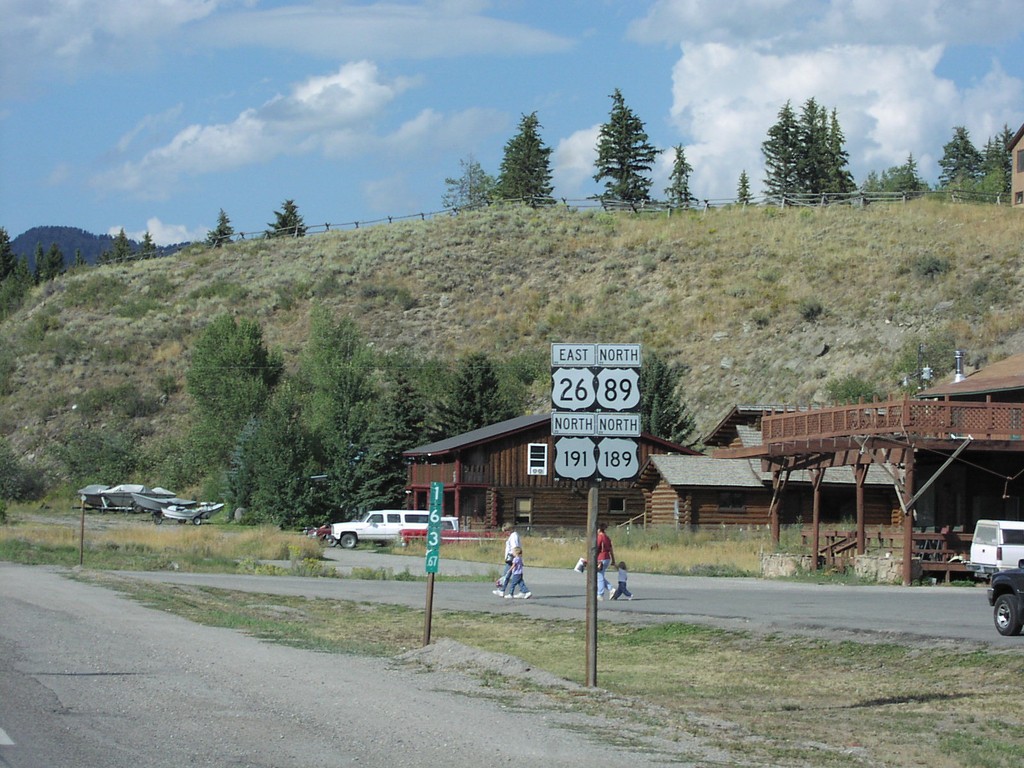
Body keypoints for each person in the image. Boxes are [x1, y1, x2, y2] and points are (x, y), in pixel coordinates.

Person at [493, 522, 520, 594]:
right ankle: (503, 589)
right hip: (511, 557)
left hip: (512, 558)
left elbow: (514, 547)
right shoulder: (513, 536)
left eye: (506, 531)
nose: (505, 533)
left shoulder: (513, 536)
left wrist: (515, 557)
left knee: (507, 574)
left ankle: (502, 590)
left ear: (509, 530)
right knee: (512, 575)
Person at [596, 522, 616, 600]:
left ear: (599, 529)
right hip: (607, 558)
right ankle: (611, 589)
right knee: (600, 575)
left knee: (600, 576)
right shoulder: (607, 538)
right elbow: (611, 549)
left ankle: (600, 594)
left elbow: (596, 549)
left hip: (601, 558)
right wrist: (613, 559)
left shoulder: (600, 537)